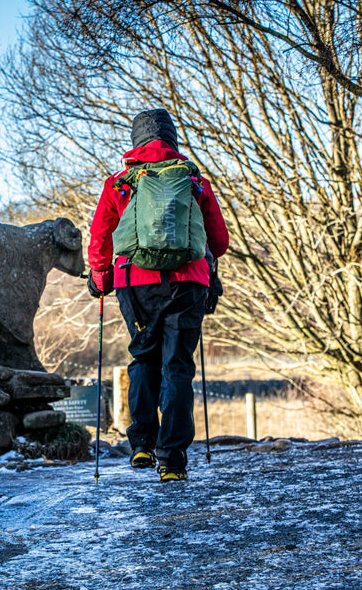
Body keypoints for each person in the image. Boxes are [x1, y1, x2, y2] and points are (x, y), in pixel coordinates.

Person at [86, 108, 230, 482]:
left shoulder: (120, 182)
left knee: (143, 357)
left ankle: (141, 444)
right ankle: (173, 460)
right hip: (188, 284)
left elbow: (100, 238)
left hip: (136, 285)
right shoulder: (194, 181)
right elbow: (220, 242)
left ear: (136, 141)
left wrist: (101, 278)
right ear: (173, 140)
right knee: (178, 367)